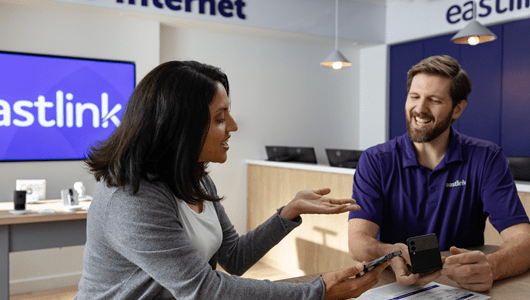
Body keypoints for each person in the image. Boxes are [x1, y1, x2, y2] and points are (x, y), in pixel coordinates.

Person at [75, 60, 391, 300]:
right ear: (179, 126)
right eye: (220, 118)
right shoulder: (133, 198)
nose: (234, 126)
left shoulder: (195, 179)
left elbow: (234, 258)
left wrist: (288, 213)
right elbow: (204, 290)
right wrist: (316, 291)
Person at [348, 55, 530, 292]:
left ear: (457, 109)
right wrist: (390, 252)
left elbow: (524, 240)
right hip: (393, 286)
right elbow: (357, 242)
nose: (420, 109)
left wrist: (492, 266)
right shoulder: (375, 161)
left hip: (461, 288)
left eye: (433, 100)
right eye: (414, 97)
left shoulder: (486, 158)